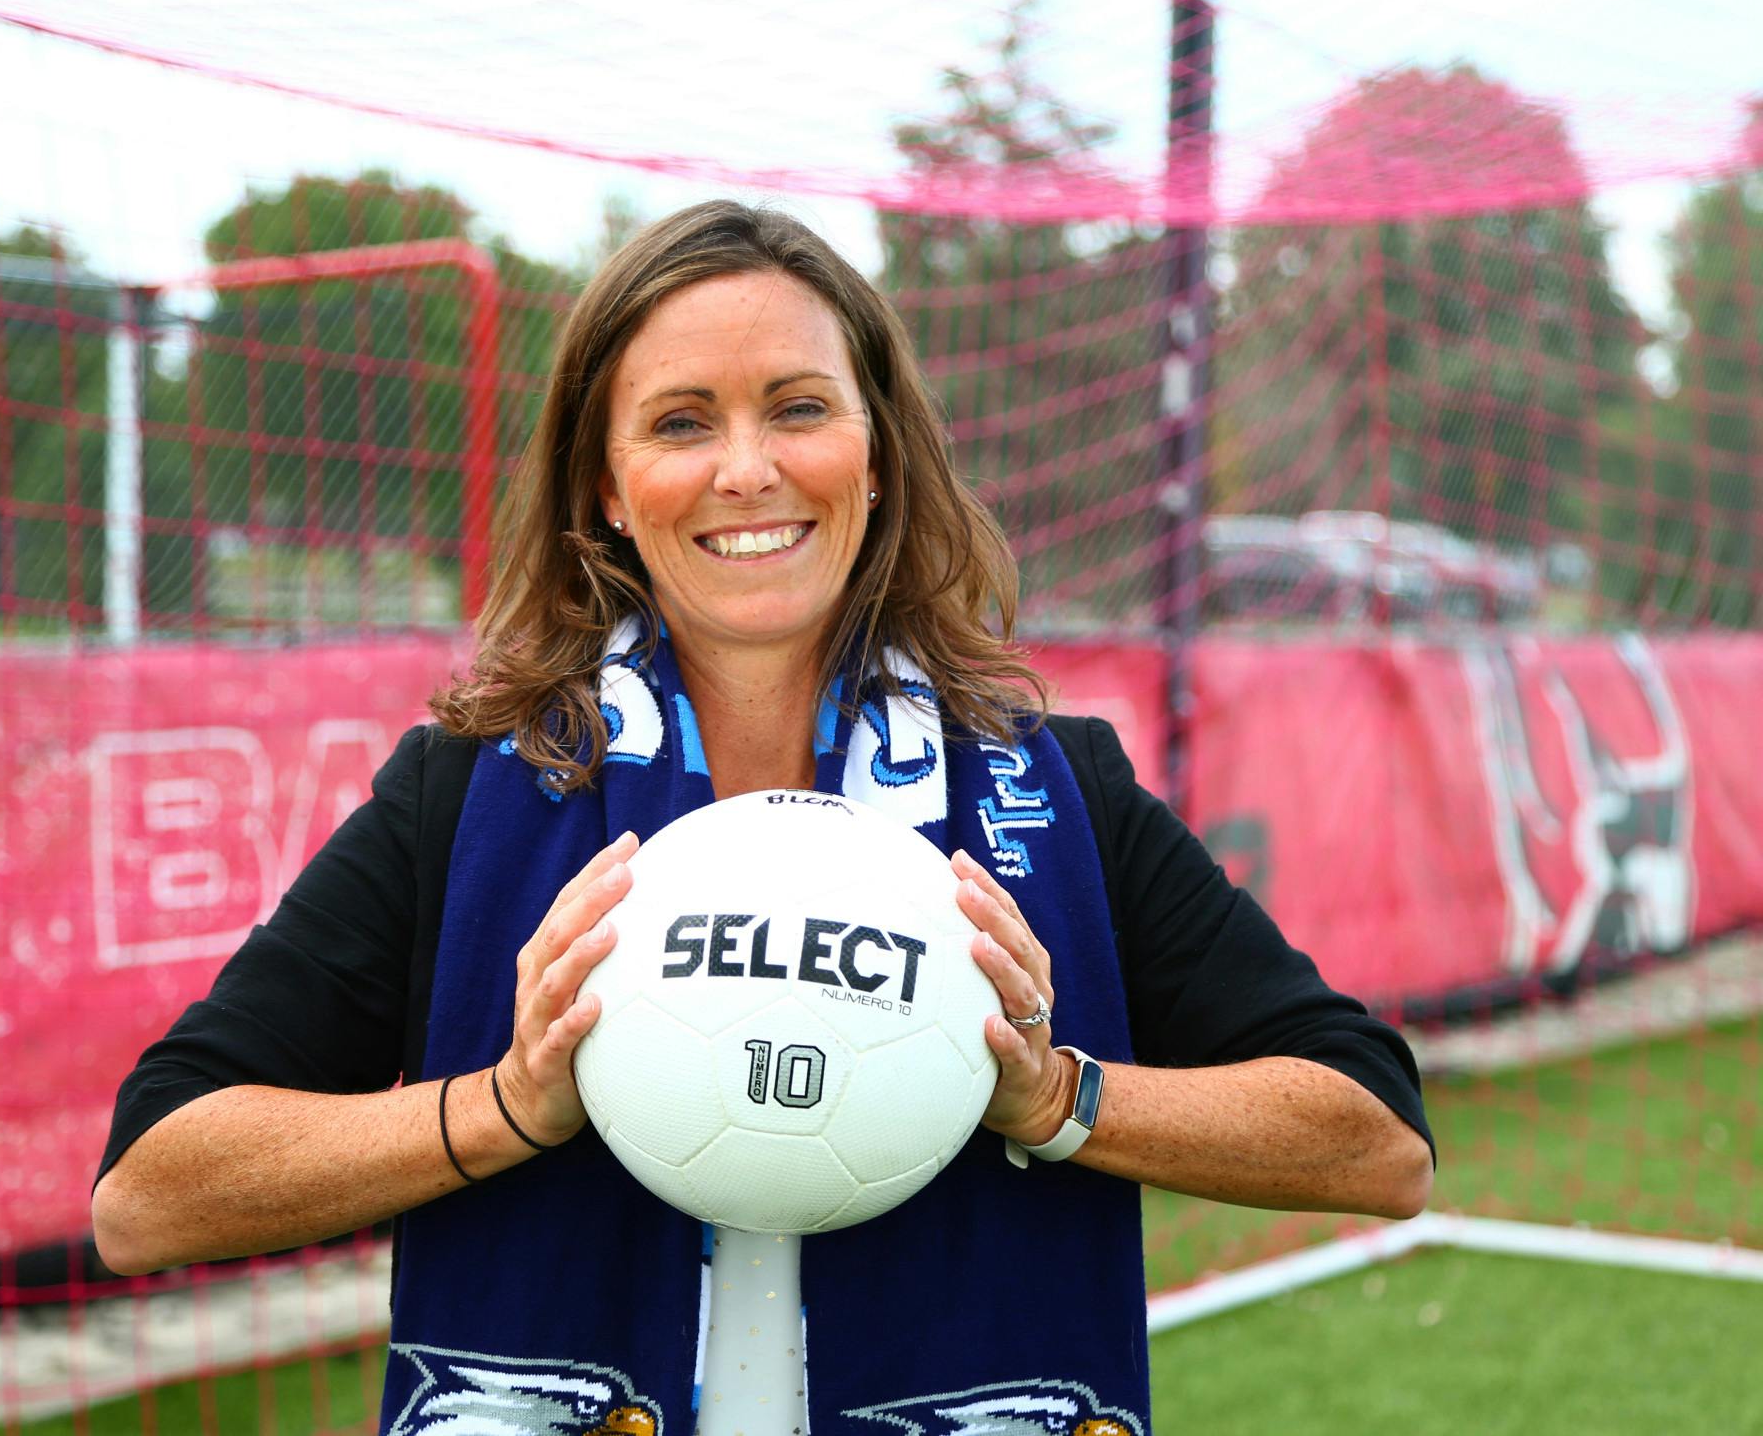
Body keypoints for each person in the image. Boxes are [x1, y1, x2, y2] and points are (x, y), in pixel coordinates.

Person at [92, 200, 1433, 1436]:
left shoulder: (1053, 794)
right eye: (681, 423)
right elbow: (151, 1189)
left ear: (876, 456)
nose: (748, 470)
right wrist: (502, 1109)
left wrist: (1060, 1098)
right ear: (606, 488)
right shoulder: (469, 797)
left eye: (798, 408)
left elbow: (1375, 1141)